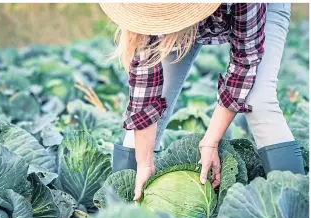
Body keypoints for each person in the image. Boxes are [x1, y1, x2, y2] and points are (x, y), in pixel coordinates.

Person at [99, 3, 305, 201]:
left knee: (259, 99)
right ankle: (125, 205)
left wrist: (210, 141)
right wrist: (144, 164)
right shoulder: (147, 11)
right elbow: (145, 91)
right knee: (156, 98)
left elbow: (245, 63)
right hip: (177, 25)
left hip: (260, 11)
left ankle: (297, 210)